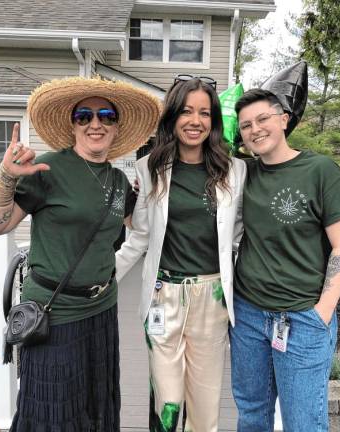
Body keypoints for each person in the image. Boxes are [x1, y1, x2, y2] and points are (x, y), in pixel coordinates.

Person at [0, 77, 161, 432]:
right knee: (52, 409)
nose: (95, 123)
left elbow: (146, 225)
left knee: (96, 404)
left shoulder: (118, 182)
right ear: (73, 124)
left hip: (101, 310)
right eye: (84, 115)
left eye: (106, 115)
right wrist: (6, 177)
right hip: (54, 312)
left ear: (116, 126)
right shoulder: (49, 170)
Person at [116, 75, 247, 432]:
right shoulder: (150, 168)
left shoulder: (235, 171)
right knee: (167, 402)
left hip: (212, 297)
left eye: (205, 113)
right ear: (173, 116)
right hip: (163, 296)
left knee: (205, 408)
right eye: (187, 111)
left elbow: (240, 234)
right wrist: (101, 277)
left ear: (214, 121)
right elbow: (140, 236)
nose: (196, 121)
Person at [229, 88, 340, 432]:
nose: (254, 129)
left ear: (284, 120)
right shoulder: (244, 174)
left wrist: (322, 313)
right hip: (249, 316)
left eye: (262, 119)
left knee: (303, 422)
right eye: (245, 126)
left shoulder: (319, 170)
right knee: (252, 414)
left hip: (302, 319)